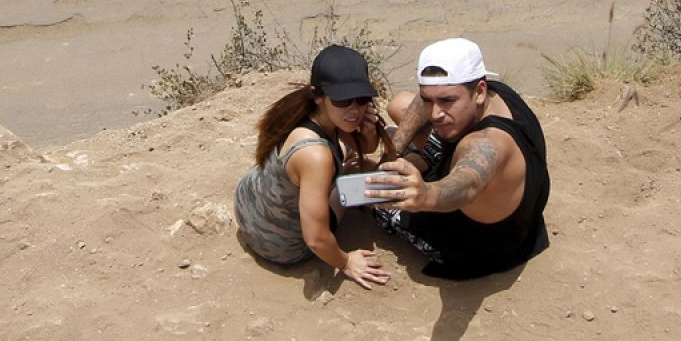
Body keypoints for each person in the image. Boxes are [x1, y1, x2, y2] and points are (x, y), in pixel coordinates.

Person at [367, 38, 550, 279]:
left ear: (480, 92)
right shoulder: (493, 90)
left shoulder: (484, 145)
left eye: (447, 101)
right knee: (399, 102)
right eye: (428, 99)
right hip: (523, 221)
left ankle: (419, 165)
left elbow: (467, 183)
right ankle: (417, 158)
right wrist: (393, 150)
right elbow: (426, 100)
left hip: (480, 248)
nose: (435, 113)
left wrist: (425, 196)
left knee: (372, 200)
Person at [234, 45, 392, 289]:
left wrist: (368, 130)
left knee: (348, 161)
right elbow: (316, 239)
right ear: (318, 96)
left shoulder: (303, 111)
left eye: (361, 99)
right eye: (342, 100)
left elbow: (366, 148)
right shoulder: (315, 156)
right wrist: (347, 261)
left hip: (248, 209)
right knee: (359, 179)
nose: (355, 109)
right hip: (281, 246)